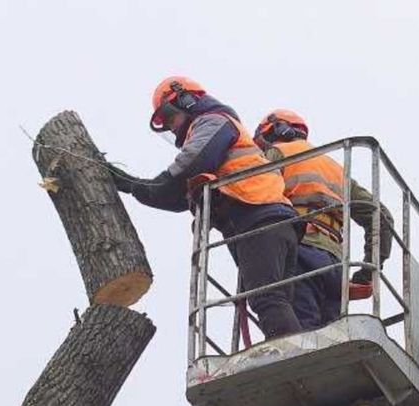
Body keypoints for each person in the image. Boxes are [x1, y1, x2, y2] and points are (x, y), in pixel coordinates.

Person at [107, 77, 303, 339]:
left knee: (267, 298)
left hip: (257, 214)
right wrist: (134, 186)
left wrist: (135, 184)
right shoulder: (217, 130)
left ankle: (286, 356)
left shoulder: (214, 121)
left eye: (171, 117)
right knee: (275, 299)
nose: (172, 128)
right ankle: (291, 352)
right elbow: (177, 197)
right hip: (267, 219)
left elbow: (187, 168)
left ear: (187, 100)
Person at [254, 109, 395, 330]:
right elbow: (382, 217)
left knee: (298, 340)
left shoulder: (275, 154)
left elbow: (251, 199)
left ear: (276, 130)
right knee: (330, 340)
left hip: (297, 254)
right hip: (336, 265)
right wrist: (368, 270)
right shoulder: (336, 169)